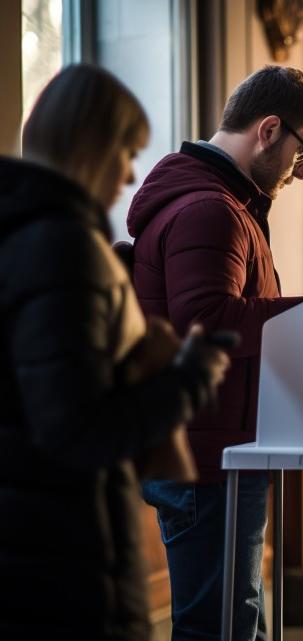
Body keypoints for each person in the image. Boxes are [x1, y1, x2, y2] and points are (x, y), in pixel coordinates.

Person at [0, 64, 230, 641]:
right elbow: (75, 429)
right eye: (126, 152)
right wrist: (187, 382)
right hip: (61, 552)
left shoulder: (25, 234)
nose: (130, 174)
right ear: (92, 145)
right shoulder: (64, 247)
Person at [126, 65, 303, 641]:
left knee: (236, 617)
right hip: (207, 457)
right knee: (218, 625)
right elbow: (207, 322)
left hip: (214, 446)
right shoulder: (210, 210)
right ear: (269, 130)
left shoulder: (221, 202)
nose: (300, 170)